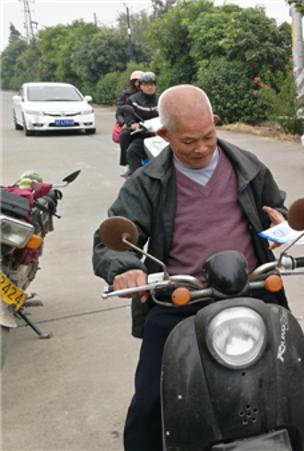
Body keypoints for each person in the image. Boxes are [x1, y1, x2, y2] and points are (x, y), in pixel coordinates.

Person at [92, 85, 290, 451]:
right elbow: (111, 239)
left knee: (294, 374)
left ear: (215, 124)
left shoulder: (249, 167)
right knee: (152, 398)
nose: (200, 148)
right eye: (188, 142)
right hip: (181, 299)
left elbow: (276, 209)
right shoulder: (147, 182)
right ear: (164, 135)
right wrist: (125, 267)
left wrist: (282, 226)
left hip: (252, 292)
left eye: (208, 137)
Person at [120, 71, 159, 176]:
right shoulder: (133, 100)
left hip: (162, 135)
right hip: (143, 134)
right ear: (140, 86)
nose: (150, 87)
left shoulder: (162, 99)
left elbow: (170, 113)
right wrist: (133, 123)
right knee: (132, 150)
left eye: (152, 84)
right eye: (146, 84)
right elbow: (128, 114)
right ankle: (137, 178)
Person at [116, 70, 143, 175]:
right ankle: (128, 165)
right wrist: (124, 123)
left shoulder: (151, 95)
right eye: (135, 81)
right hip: (131, 122)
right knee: (124, 136)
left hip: (148, 123)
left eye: (140, 81)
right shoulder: (126, 96)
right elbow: (120, 112)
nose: (137, 83)